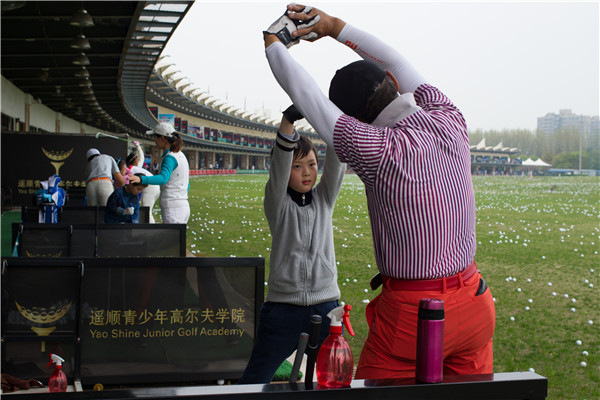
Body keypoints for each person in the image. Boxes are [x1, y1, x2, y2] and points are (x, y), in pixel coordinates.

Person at [262, 4, 495, 380]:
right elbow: (400, 64)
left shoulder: (374, 148)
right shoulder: (449, 115)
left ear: (354, 119)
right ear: (390, 82)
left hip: (412, 313)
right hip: (474, 300)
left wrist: (274, 45)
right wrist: (336, 27)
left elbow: (311, 100)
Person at [238, 105, 346, 384]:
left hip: (326, 306)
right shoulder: (277, 203)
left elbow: (336, 158)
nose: (306, 172)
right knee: (255, 379)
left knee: (334, 378)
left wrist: (334, 114)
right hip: (282, 310)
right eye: (297, 167)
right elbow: (280, 164)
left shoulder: (324, 198)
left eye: (311, 164)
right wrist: (287, 122)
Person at [128, 122, 190, 224]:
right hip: (183, 206)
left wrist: (141, 179)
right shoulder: (180, 155)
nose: (154, 140)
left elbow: (163, 178)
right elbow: (187, 185)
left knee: (172, 239)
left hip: (173, 207)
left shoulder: (170, 157)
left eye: (155, 137)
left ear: (162, 138)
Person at [125, 144, 160, 223]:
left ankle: (152, 230)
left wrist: (138, 147)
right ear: (134, 161)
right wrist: (138, 147)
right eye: (136, 159)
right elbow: (141, 158)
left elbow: (141, 158)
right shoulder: (135, 168)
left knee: (147, 211)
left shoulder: (131, 169)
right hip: (154, 187)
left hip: (151, 188)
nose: (138, 160)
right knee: (146, 210)